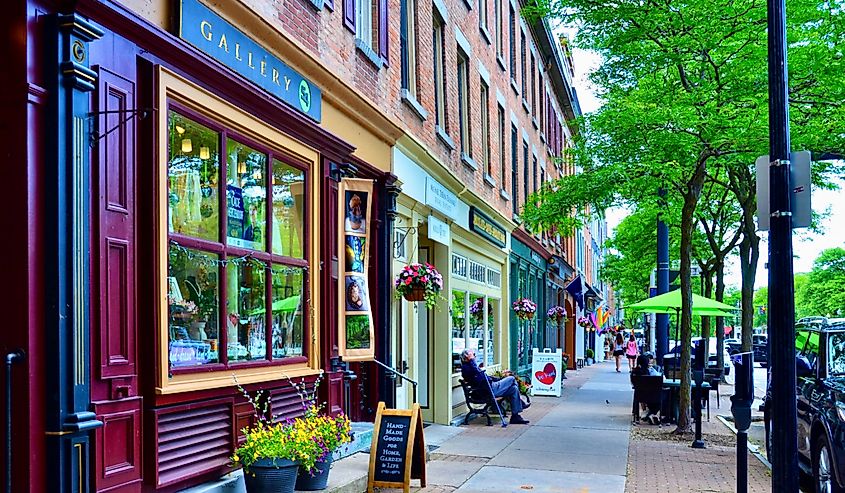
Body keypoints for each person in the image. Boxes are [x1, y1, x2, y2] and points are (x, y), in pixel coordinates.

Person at [459, 348, 530, 424]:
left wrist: (497, 379)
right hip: (489, 390)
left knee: (514, 389)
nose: (475, 357)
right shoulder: (466, 368)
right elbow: (478, 374)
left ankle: (515, 417)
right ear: (467, 357)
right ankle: (521, 403)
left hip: (490, 387)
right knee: (512, 378)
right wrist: (471, 360)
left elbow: (484, 376)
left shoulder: (471, 366)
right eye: (473, 355)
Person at [632, 354, 662, 425]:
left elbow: (633, 384)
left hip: (640, 395)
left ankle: (647, 415)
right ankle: (651, 414)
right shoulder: (648, 372)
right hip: (653, 396)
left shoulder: (634, 373)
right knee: (662, 399)